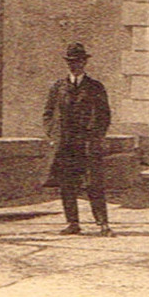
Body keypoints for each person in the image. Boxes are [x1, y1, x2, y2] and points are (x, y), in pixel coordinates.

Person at [43, 42, 113, 237]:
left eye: (78, 61)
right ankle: (73, 222)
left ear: (84, 63)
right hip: (65, 144)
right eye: (71, 62)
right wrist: (52, 134)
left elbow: (105, 115)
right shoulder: (58, 87)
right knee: (67, 184)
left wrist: (97, 136)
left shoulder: (95, 87)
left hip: (87, 142)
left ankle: (102, 223)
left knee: (93, 183)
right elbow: (48, 113)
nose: (74, 65)